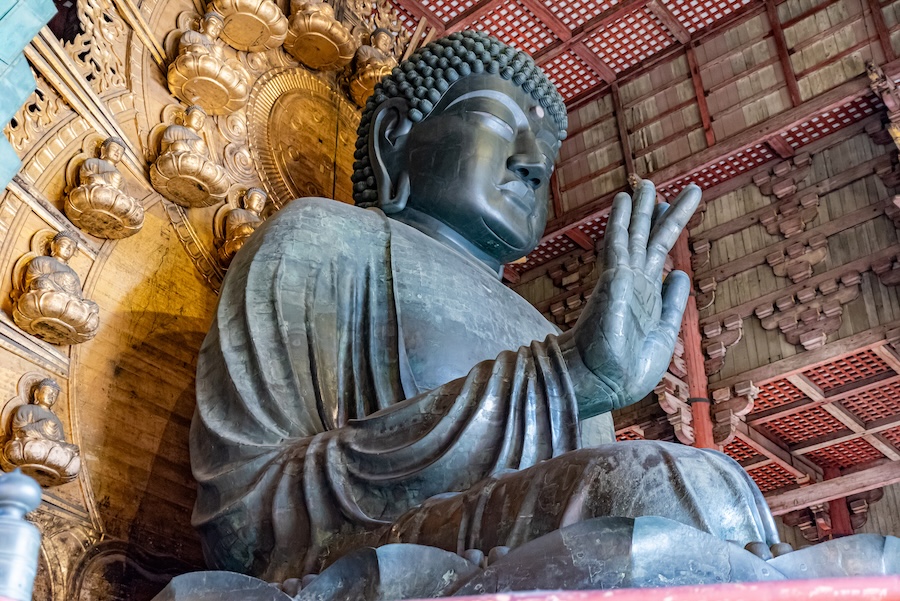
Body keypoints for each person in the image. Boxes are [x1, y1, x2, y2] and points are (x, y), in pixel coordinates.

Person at [191, 31, 780, 583]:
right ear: (393, 135)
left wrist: (577, 379)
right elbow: (246, 522)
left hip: (515, 543)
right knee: (665, 490)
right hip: (367, 556)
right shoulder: (325, 239)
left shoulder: (549, 333)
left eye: (544, 161)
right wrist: (564, 380)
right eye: (498, 122)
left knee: (715, 493)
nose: (530, 164)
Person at [2, 379, 81, 486]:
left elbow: (60, 442)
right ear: (37, 393)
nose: (51, 396)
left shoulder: (56, 420)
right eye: (48, 392)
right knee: (47, 426)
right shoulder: (26, 409)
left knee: (72, 449)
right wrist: (44, 426)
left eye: (55, 394)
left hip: (47, 448)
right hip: (27, 446)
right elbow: (20, 432)